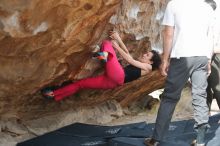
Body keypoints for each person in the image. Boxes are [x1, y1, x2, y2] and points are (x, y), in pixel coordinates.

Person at [144, 0, 216, 146]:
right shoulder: (207, 8)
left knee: (170, 98)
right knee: (200, 97)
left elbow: (168, 34)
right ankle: (201, 141)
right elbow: (210, 36)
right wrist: (208, 59)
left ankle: (156, 139)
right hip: (201, 57)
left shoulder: (174, 4)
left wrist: (164, 60)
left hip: (182, 57)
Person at [41, 31, 161, 101]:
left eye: (147, 55)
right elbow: (128, 54)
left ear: (151, 62)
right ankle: (53, 94)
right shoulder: (143, 65)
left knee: (107, 44)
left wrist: (116, 46)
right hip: (113, 82)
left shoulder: (148, 68)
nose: (145, 54)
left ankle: (96, 55)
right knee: (80, 84)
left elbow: (129, 59)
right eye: (146, 53)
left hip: (118, 76)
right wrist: (118, 39)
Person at [207, 0, 220, 111]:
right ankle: (204, 116)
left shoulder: (216, 23)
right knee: (202, 89)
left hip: (216, 56)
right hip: (201, 57)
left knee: (217, 87)